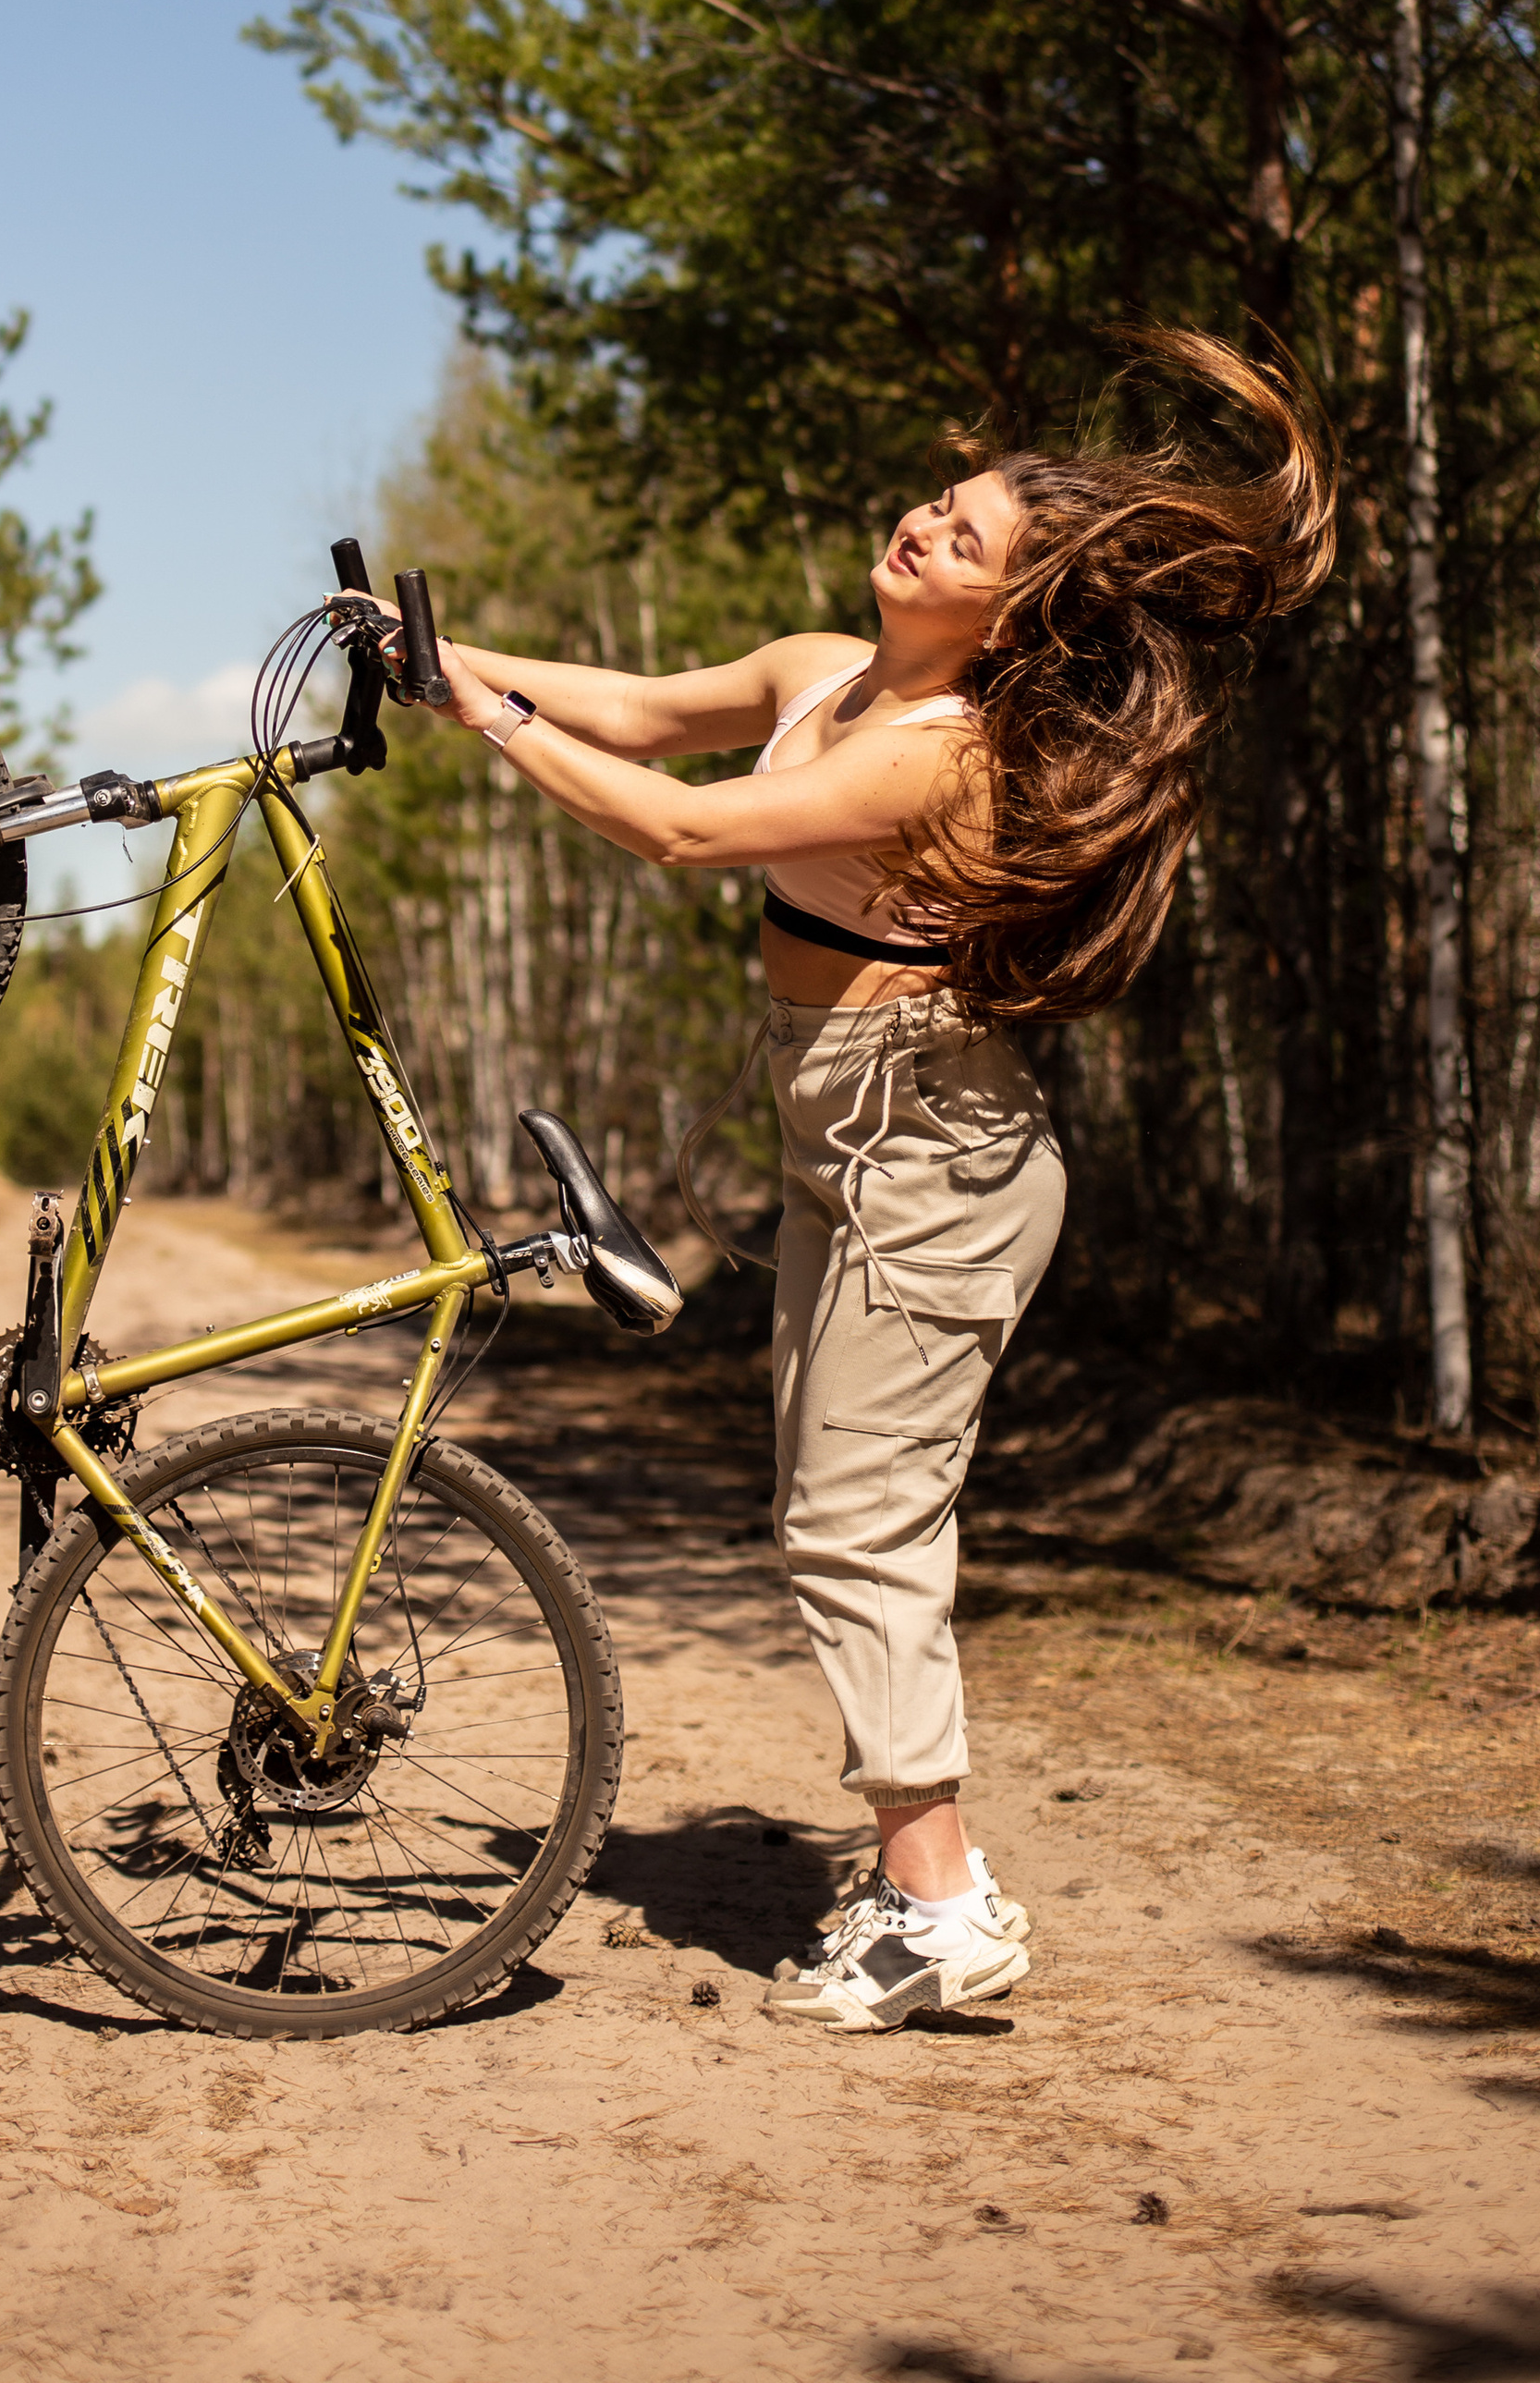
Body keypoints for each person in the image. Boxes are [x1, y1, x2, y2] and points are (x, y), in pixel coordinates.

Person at [414, 329, 1336, 2034]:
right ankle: (926, 1883)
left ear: (1017, 613)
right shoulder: (821, 667)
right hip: (845, 1133)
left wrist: (488, 726)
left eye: (968, 539)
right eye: (942, 502)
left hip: (936, 1150)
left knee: (857, 1518)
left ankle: (943, 1907)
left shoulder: (954, 749)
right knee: (829, 1514)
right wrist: (439, 651)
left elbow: (683, 830)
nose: (926, 525)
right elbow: (633, 710)